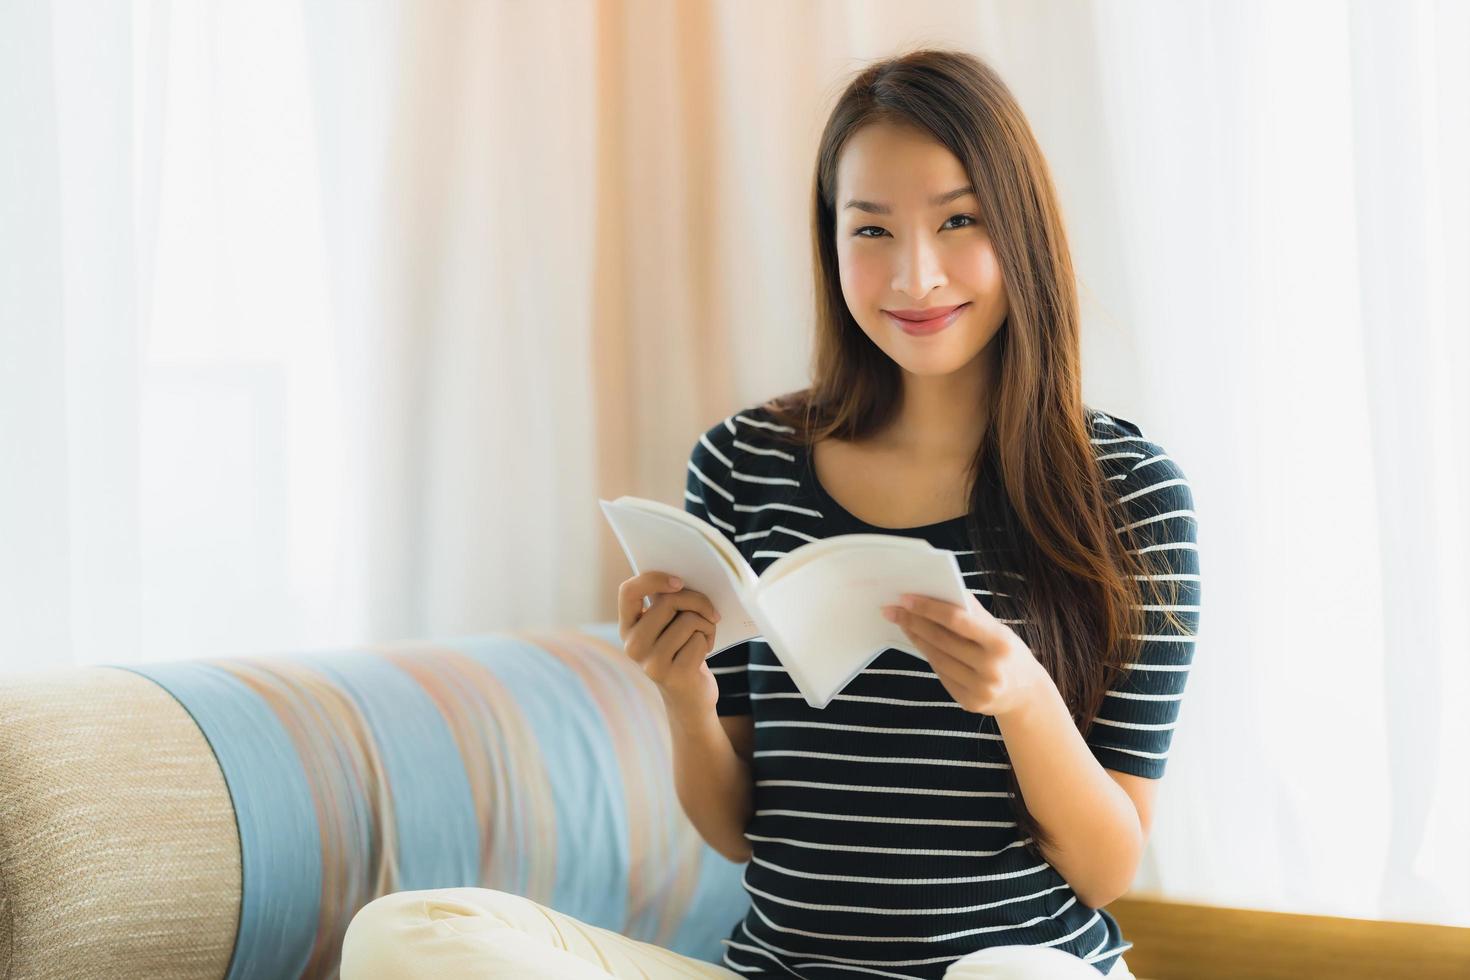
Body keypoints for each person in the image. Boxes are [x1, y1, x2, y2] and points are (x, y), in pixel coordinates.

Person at [341, 46, 1199, 979]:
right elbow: (739, 833)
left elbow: (1109, 867)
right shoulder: (747, 464)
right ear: (830, 246)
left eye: (960, 221)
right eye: (870, 231)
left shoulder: (1127, 494)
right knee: (406, 935)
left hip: (1018, 970)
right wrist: (682, 694)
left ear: (1021, 232)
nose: (915, 277)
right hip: (782, 968)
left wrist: (1023, 699)